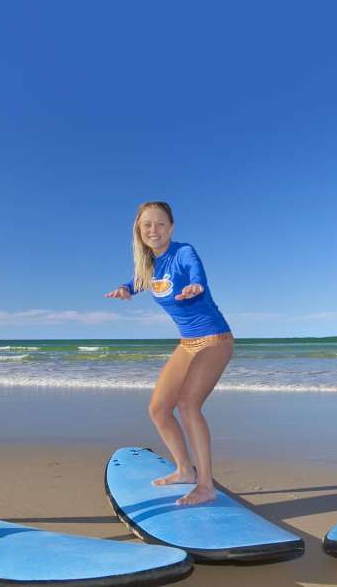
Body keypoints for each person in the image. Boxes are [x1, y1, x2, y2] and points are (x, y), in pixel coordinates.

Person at [105, 201, 233, 506]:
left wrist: (196, 287)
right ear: (139, 229)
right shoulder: (148, 264)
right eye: (147, 224)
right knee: (159, 409)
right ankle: (184, 470)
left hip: (215, 338)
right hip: (187, 343)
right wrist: (124, 289)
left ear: (171, 227)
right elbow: (137, 282)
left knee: (188, 405)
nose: (154, 230)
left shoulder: (184, 252)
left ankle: (205, 485)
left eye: (161, 224)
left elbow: (196, 274)